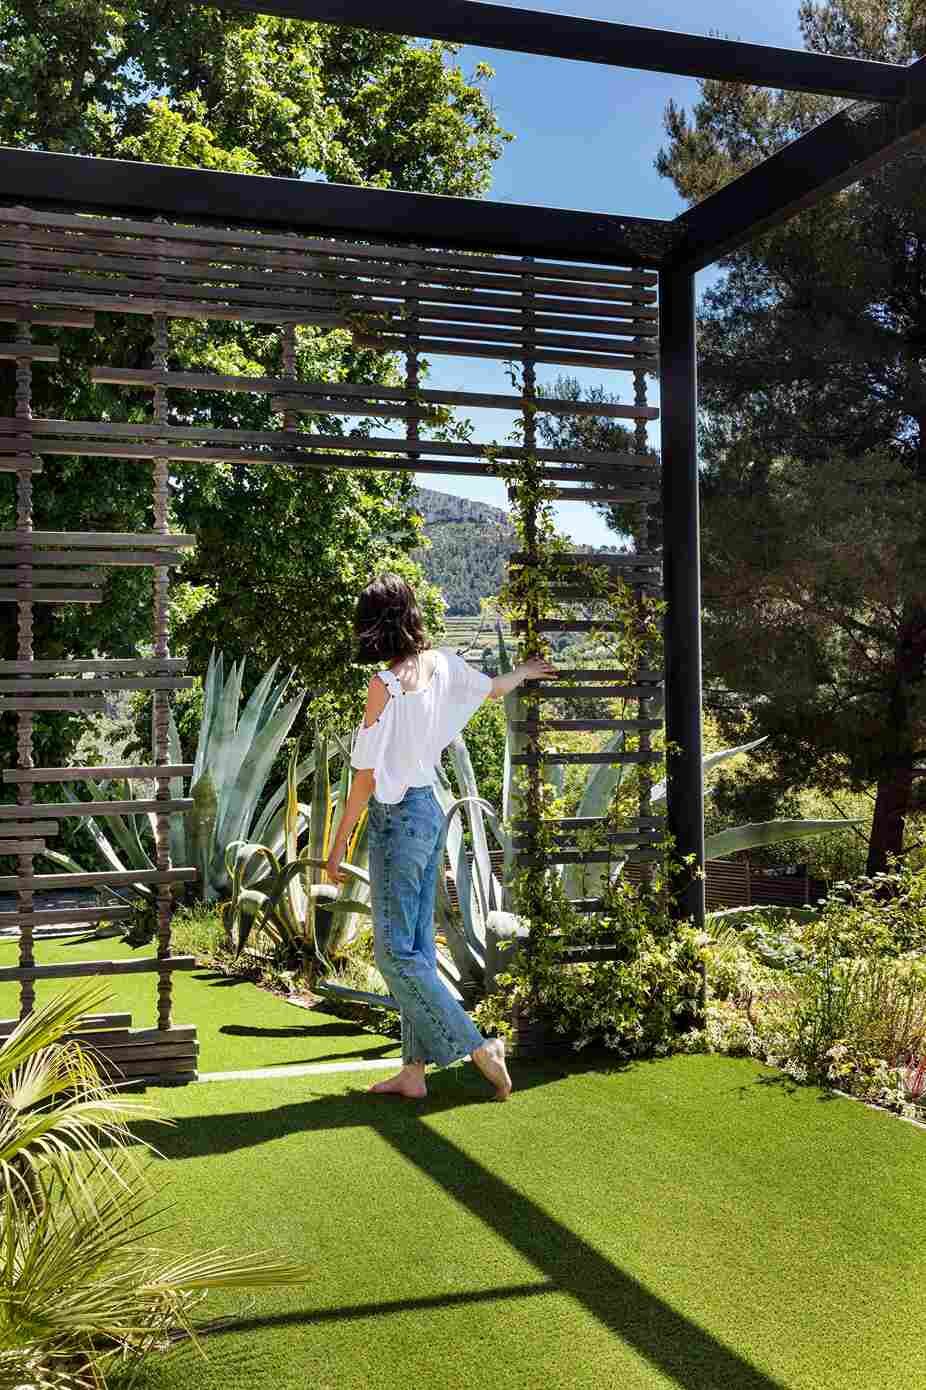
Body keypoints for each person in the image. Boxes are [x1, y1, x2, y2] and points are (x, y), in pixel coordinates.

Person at [325, 572, 557, 1102]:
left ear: (375, 627)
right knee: (417, 951)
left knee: (394, 955)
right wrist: (523, 671)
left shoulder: (383, 688)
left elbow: (364, 778)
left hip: (399, 819)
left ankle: (478, 1046)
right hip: (431, 812)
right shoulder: (447, 664)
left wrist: (337, 846)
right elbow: (493, 689)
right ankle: (413, 1072)